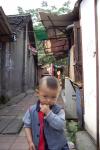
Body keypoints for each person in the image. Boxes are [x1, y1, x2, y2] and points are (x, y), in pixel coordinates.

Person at [23, 76, 69, 150]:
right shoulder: (31, 110)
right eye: (45, 96)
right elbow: (27, 126)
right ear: (38, 93)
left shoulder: (59, 110)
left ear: (58, 95)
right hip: (39, 146)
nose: (49, 100)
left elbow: (60, 125)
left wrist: (49, 113)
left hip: (57, 147)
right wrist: (30, 141)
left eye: (53, 97)